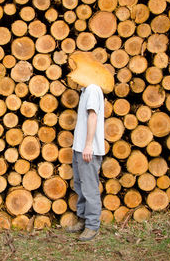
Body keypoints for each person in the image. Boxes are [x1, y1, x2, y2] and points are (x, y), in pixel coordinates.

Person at [67, 82, 105, 242]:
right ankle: (82, 219)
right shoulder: (85, 91)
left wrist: (89, 144)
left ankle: (92, 226)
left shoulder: (93, 89)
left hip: (88, 149)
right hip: (80, 148)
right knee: (80, 186)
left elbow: (93, 116)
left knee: (89, 189)